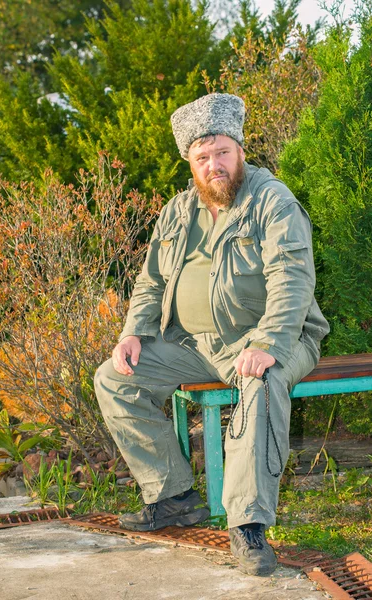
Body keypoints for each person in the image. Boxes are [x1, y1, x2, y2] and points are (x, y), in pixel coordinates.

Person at [94, 93, 329, 576]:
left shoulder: (271, 200)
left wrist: (267, 345)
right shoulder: (178, 211)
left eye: (222, 152)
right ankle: (173, 495)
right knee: (114, 378)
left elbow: (292, 278)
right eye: (202, 157)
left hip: (270, 338)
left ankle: (248, 525)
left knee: (261, 387)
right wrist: (134, 331)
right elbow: (152, 281)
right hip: (193, 343)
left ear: (240, 149)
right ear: (190, 162)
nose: (214, 165)